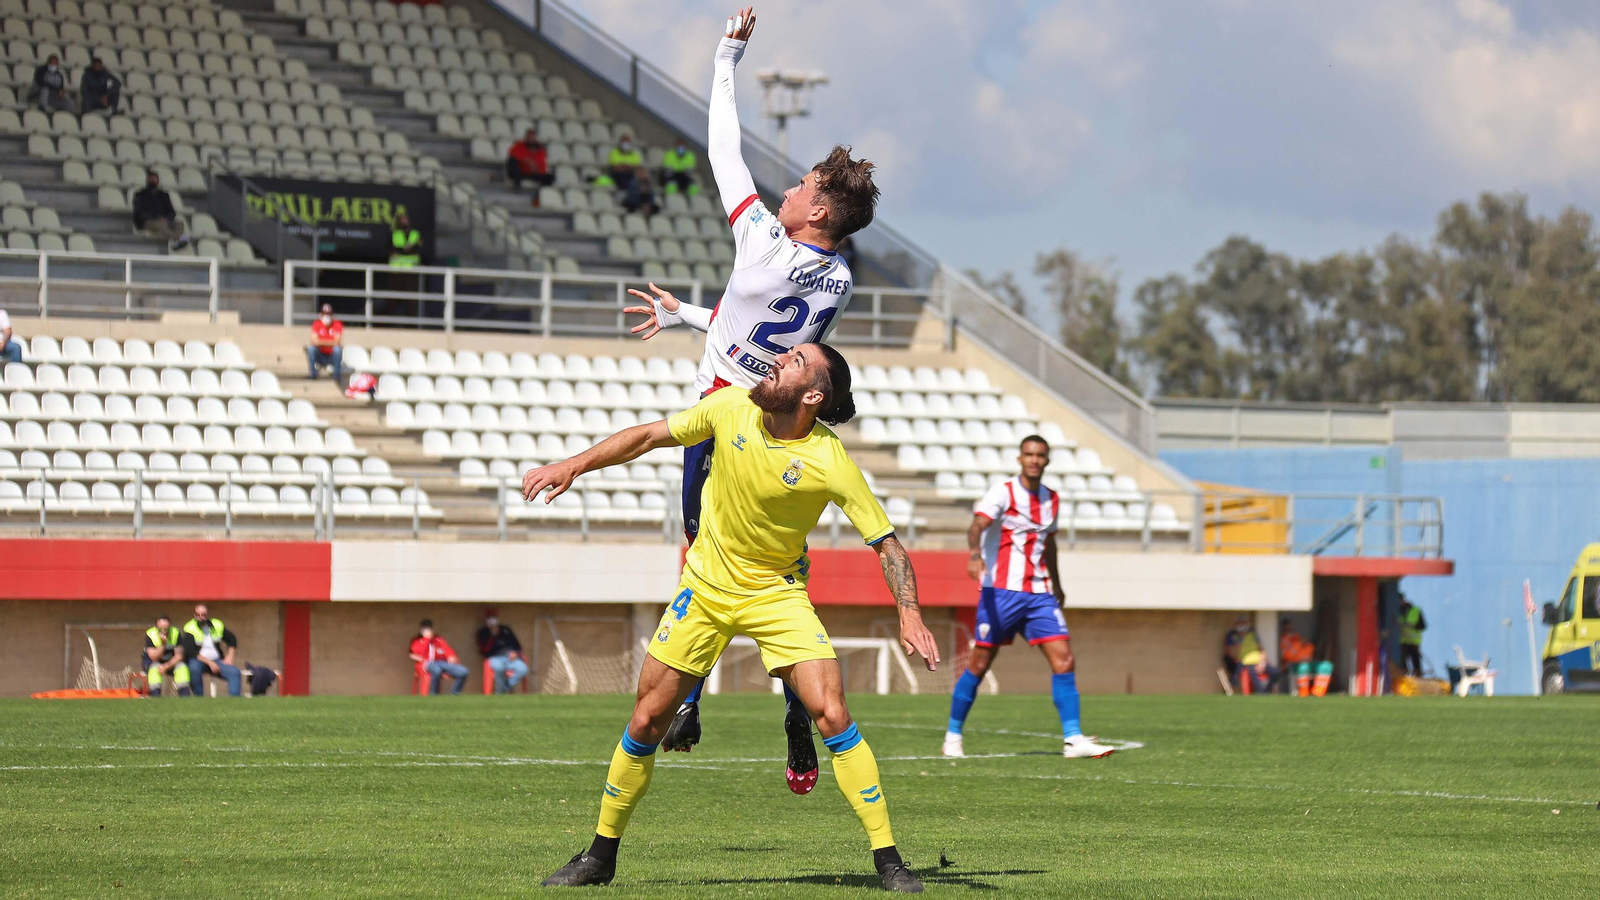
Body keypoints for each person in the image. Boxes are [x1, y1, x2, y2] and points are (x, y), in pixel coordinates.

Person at [526, 337, 938, 892]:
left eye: (793, 361)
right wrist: (575, 464)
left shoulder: (828, 458)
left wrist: (909, 614)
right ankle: (599, 856)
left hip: (777, 593)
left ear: (813, 394)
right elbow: (649, 436)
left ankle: (889, 862)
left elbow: (886, 544)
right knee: (647, 719)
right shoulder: (730, 406)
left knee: (833, 714)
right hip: (706, 588)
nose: (775, 361)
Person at [617, 9, 880, 793]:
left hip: (723, 417)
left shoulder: (763, 239)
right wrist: (690, 315)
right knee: (780, 576)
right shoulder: (839, 280)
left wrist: (728, 57)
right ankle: (799, 713)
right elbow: (774, 344)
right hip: (779, 426)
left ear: (820, 212)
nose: (790, 188)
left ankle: (687, 697)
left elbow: (720, 149)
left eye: (803, 185)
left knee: (702, 561)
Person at [941, 437, 1115, 760]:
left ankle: (1073, 739)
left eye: (1040, 456)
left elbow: (1049, 545)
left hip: (1039, 594)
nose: (1034, 460)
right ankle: (953, 735)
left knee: (1065, 659)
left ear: (1047, 461)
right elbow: (977, 526)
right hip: (1001, 592)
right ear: (1020, 459)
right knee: (980, 664)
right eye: (1029, 455)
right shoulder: (1003, 492)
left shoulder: (1052, 499)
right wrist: (974, 555)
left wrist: (1058, 585)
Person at [180, 604, 243, 697]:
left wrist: (230, 656)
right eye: (198, 614)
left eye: (204, 614)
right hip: (198, 661)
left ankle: (234, 700)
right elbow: (190, 652)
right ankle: (199, 698)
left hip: (217, 660)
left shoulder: (217, 625)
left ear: (207, 615)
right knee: (194, 668)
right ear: (194, 615)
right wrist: (210, 663)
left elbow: (232, 639)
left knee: (234, 672)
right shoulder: (189, 628)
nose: (201, 617)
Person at [131, 172, 191, 251]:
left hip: (165, 221)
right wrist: (156, 218)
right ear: (147, 180)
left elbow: (172, 212)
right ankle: (178, 240)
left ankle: (176, 241)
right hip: (148, 221)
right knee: (160, 224)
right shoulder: (140, 195)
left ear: (158, 181)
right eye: (151, 179)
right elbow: (139, 213)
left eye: (155, 180)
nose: (153, 182)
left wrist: (166, 218)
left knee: (179, 223)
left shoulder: (164, 195)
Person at [475, 607, 528, 694]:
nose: (492, 620)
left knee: (523, 669)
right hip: (494, 657)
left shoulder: (506, 629)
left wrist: (515, 653)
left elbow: (517, 646)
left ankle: (505, 687)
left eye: (494, 617)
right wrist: (492, 634)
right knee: (499, 668)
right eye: (489, 618)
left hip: (510, 657)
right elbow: (484, 650)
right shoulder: (482, 632)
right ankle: (500, 692)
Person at [409, 619, 468, 695]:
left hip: (441, 663)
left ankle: (454, 694)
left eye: (429, 628)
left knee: (463, 672)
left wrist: (451, 656)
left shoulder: (438, 639)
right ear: (421, 630)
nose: (428, 630)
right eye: (425, 628)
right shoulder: (417, 641)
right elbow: (418, 652)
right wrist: (426, 639)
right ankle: (433, 695)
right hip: (426, 663)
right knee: (437, 670)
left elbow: (447, 649)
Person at [597, 134, 654, 213]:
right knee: (626, 179)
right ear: (620, 143)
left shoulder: (634, 154)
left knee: (644, 181)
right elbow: (616, 168)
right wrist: (630, 167)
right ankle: (628, 200)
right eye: (624, 142)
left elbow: (638, 168)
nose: (626, 144)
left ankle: (646, 203)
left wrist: (625, 166)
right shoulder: (614, 152)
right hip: (618, 174)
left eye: (628, 142)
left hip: (631, 174)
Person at [143, 614, 191, 697]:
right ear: (156, 626)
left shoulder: (175, 633)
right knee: (154, 670)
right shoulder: (150, 634)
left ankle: (185, 698)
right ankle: (155, 698)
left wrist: (166, 666)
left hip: (171, 662)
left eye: (166, 629)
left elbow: (179, 656)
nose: (164, 631)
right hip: (154, 661)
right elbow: (153, 657)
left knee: (182, 668)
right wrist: (163, 644)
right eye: (160, 629)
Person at [1223, 615, 1272, 695]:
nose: (1242, 626)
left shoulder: (1252, 634)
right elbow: (1230, 652)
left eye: (1244, 623)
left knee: (1272, 672)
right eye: (1239, 623)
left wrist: (1262, 662)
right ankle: (1235, 684)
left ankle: (1263, 691)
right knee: (1246, 669)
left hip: (1252, 662)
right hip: (1237, 661)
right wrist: (1240, 641)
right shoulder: (1231, 635)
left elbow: (1261, 649)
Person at [506, 129, 554, 195]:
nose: (531, 139)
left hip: (534, 173)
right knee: (512, 161)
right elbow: (512, 152)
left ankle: (542, 194)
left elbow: (542, 164)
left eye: (532, 137)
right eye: (529, 137)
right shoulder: (520, 146)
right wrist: (526, 160)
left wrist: (537, 168)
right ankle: (517, 187)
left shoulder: (540, 149)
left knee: (550, 176)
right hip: (522, 172)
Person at [306, 303, 344, 382]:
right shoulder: (316, 324)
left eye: (329, 315)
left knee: (337, 350)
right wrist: (330, 342)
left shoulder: (337, 324)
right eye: (325, 314)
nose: (327, 317)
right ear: (321, 315)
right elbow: (314, 341)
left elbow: (337, 342)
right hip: (320, 355)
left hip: (331, 356)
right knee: (310, 349)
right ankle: (313, 373)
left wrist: (321, 342)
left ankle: (336, 375)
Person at [1279, 618, 1316, 696]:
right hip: (1291, 663)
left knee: (1326, 666)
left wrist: (1307, 657)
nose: (1289, 628)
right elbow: (1286, 656)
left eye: (1290, 626)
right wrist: (1300, 659)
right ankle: (1303, 692)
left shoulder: (1297, 638)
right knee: (1303, 667)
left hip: (1305, 661)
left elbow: (1308, 651)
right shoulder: (1283, 640)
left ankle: (1318, 692)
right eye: (1287, 626)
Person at [1399, 595, 1426, 677]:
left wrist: (1402, 625)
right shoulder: (1398, 610)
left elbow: (1417, 625)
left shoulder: (1415, 610)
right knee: (1402, 661)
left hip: (1414, 641)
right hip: (1403, 641)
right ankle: (1405, 677)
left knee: (1415, 662)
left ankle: (1418, 678)